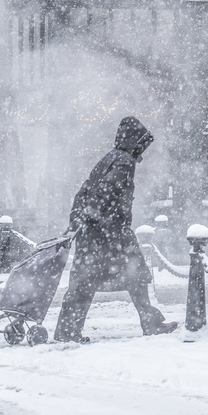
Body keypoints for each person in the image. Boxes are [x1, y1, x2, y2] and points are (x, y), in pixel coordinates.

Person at [54, 116, 177, 342]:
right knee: (136, 276)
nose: (142, 149)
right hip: (112, 233)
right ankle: (151, 323)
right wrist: (96, 216)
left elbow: (84, 192)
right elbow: (107, 192)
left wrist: (78, 220)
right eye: (141, 143)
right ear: (134, 141)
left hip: (94, 233)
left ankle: (67, 330)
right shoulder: (123, 162)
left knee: (84, 282)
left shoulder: (108, 158)